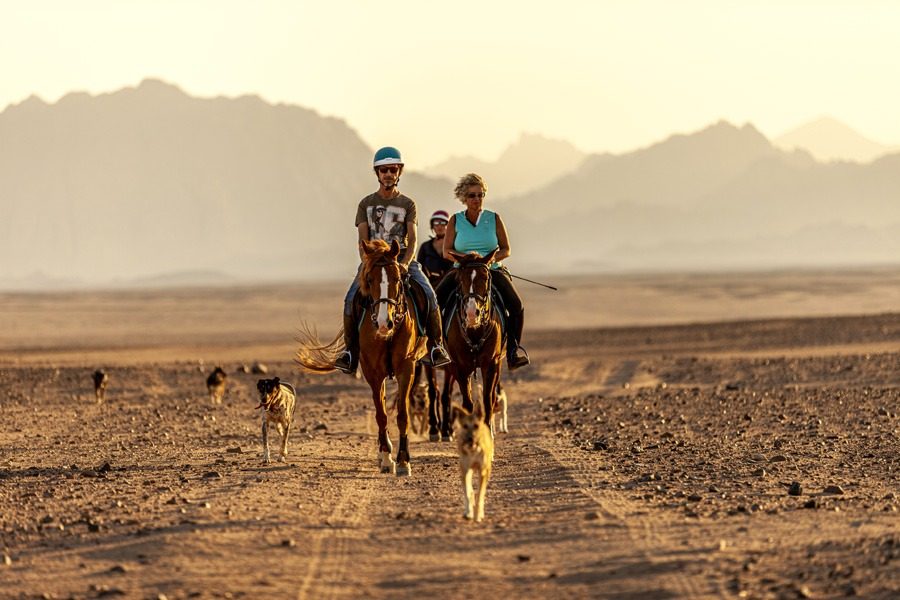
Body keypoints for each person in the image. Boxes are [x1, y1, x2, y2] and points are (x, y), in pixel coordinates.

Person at [334, 147, 452, 375]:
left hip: (402, 261)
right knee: (350, 300)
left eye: (393, 169)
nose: (388, 173)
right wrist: (368, 263)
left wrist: (405, 264)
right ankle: (349, 352)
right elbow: (362, 240)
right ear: (377, 173)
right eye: (384, 170)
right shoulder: (365, 204)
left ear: (400, 172)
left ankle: (436, 346)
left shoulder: (408, 204)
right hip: (373, 263)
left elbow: (414, 238)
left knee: (429, 295)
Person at [436, 173, 530, 370]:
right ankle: (435, 348)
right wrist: (467, 261)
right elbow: (446, 251)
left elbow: (506, 249)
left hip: (491, 270)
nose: (477, 199)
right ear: (464, 198)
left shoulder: (494, 218)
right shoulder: (455, 220)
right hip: (462, 271)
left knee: (516, 305)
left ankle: (513, 351)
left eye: (480, 195)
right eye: (472, 195)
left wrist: (487, 261)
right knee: (434, 302)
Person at [416, 209, 454, 287]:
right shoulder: (425, 246)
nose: (439, 226)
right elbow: (419, 266)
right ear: (432, 226)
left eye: (443, 223)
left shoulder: (454, 245)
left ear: (448, 226)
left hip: (451, 284)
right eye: (436, 223)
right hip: (428, 284)